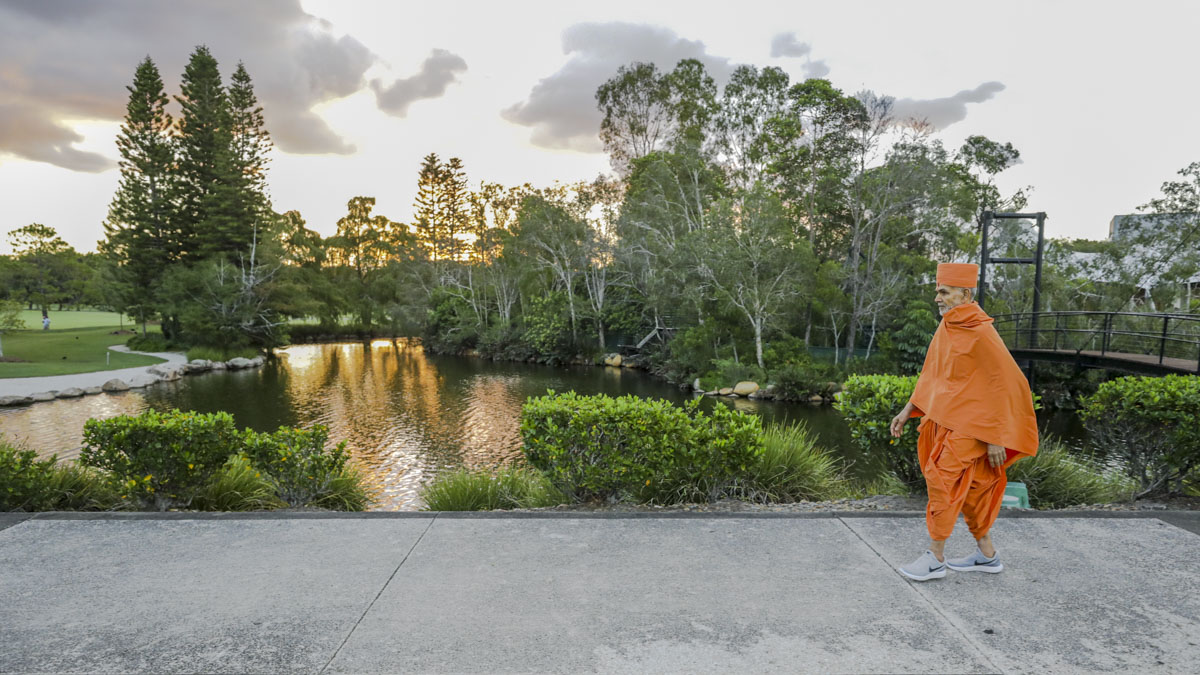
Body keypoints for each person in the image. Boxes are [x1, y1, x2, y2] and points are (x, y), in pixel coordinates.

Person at [889, 262, 1039, 581]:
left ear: (965, 295)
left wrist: (995, 436)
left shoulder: (981, 332)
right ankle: (987, 555)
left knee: (941, 479)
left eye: (944, 292)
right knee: (972, 488)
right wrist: (907, 409)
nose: (938, 298)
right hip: (951, 418)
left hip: (975, 426)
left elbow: (1005, 384)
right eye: (937, 292)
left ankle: (935, 557)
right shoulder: (948, 326)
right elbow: (934, 374)